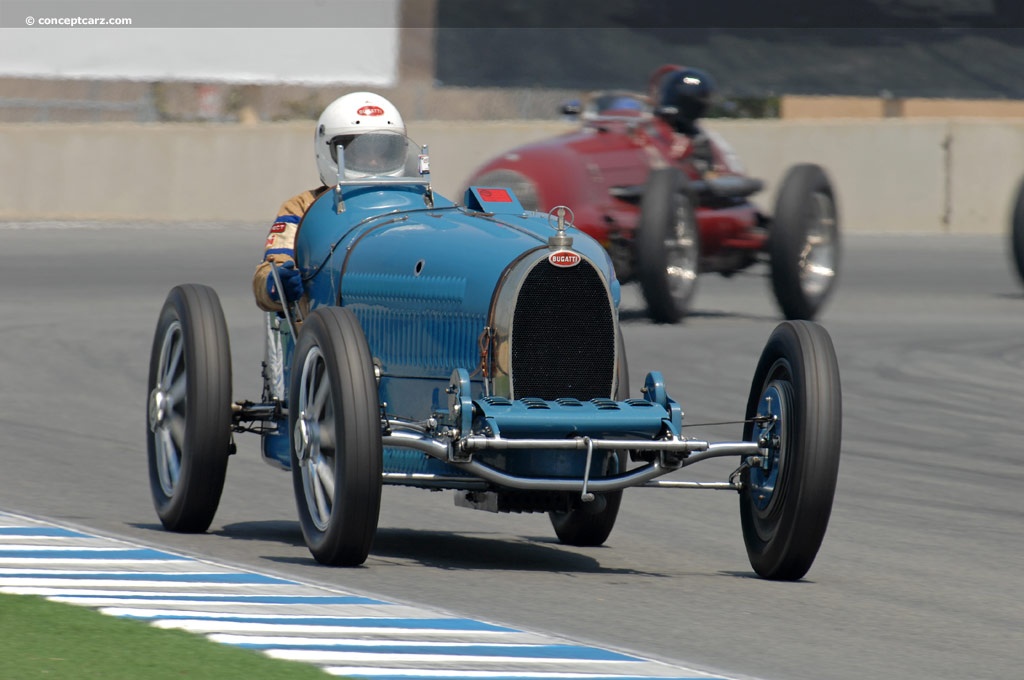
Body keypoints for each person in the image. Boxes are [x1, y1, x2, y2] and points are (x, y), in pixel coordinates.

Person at [251, 91, 406, 312]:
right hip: (324, 326)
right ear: (329, 150)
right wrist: (276, 284)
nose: (373, 160)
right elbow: (269, 270)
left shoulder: (419, 203)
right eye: (359, 151)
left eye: (382, 151)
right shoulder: (302, 207)